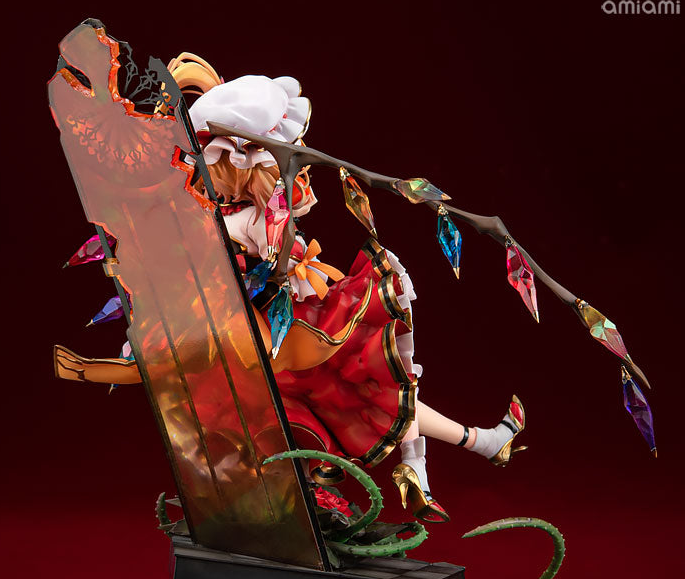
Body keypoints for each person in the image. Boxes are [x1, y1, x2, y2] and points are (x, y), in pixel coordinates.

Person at [56, 55, 527, 523]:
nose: (203, 175)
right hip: (254, 335)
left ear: (238, 165)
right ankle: (464, 449)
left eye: (212, 165)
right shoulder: (224, 211)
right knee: (351, 401)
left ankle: (448, 454)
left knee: (372, 395)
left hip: (284, 330)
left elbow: (260, 256)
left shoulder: (253, 218)